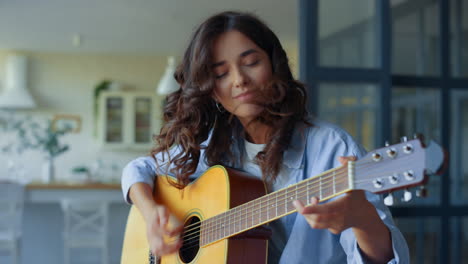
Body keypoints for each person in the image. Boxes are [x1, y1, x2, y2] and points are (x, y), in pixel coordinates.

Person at [122, 11, 409, 264]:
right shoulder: (209, 144)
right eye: (221, 73)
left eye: (251, 62)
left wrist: (362, 219)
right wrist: (151, 215)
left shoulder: (332, 148)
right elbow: (139, 169)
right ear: (211, 91)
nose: (239, 79)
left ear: (274, 64)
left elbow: (386, 260)